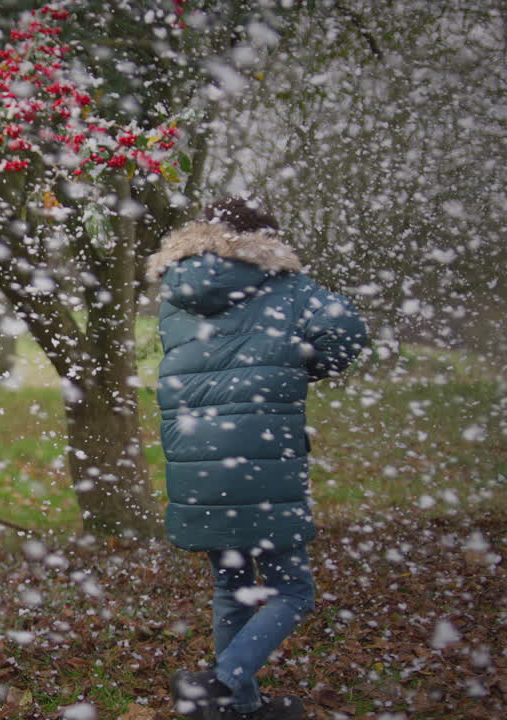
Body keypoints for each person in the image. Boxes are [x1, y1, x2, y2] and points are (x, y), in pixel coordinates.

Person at [147, 198, 369, 720]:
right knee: (292, 590)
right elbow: (348, 333)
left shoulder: (177, 294)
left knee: (234, 585)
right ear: (266, 238)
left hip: (195, 458)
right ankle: (225, 684)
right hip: (261, 457)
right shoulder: (283, 285)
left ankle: (240, 706)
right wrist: (302, 362)